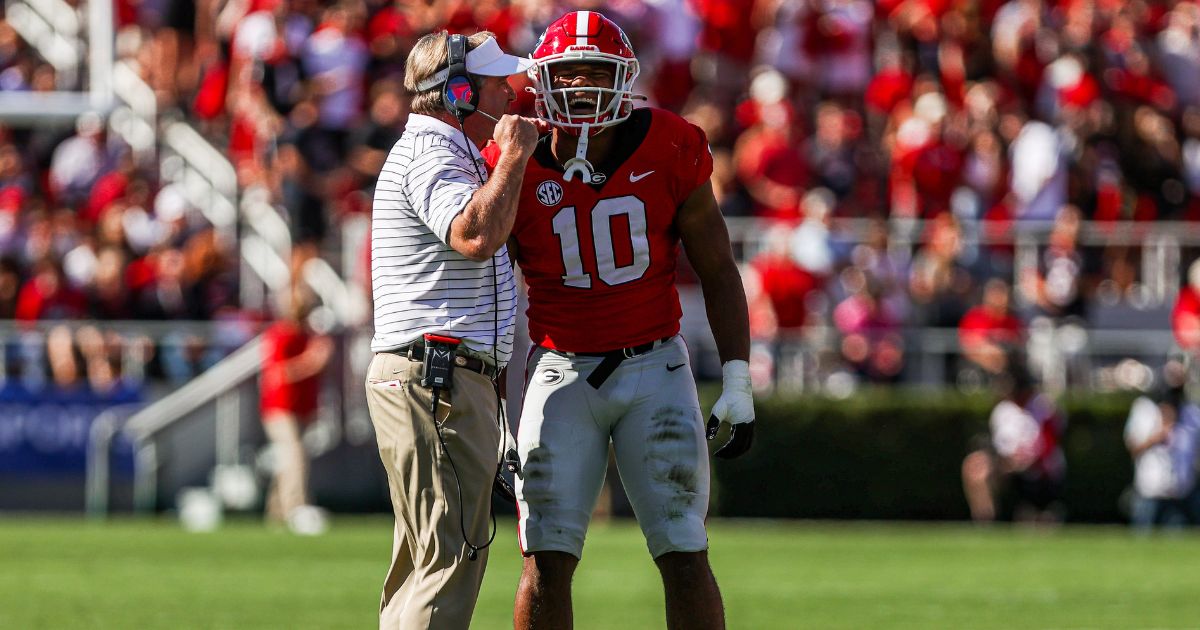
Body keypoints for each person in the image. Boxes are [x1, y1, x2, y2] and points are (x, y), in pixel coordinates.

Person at [482, 12, 755, 630]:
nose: (580, 88)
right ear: (542, 81)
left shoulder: (672, 143)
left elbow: (718, 268)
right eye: (567, 74)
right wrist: (500, 412)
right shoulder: (512, 156)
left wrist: (737, 380)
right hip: (559, 369)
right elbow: (492, 295)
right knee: (545, 556)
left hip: (654, 363)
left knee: (684, 549)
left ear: (624, 78)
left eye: (595, 73)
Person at [363, 31, 541, 629]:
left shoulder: (436, 150)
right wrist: (514, 155)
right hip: (437, 377)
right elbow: (473, 235)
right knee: (450, 558)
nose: (509, 92)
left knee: (424, 561)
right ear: (459, 91)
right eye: (495, 83)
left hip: (429, 376)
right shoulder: (433, 153)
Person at [260, 285, 333, 531]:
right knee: (295, 456)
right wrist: (311, 361)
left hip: (299, 407)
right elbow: (277, 373)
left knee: (288, 460)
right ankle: (296, 508)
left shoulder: (308, 335)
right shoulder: (280, 335)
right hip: (280, 408)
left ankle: (276, 512)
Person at [962, 359, 1066, 524]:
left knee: (1040, 521)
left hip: (1040, 471)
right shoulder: (1002, 411)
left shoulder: (1043, 407)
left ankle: (1040, 509)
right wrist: (1009, 462)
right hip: (1011, 469)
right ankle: (986, 520)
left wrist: (1028, 461)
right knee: (975, 466)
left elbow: (1050, 445)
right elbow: (1000, 449)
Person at [1124, 360, 1200, 531]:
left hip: (1182, 493)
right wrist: (1156, 437)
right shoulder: (1145, 410)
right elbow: (1133, 448)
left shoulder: (1191, 414)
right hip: (1151, 492)